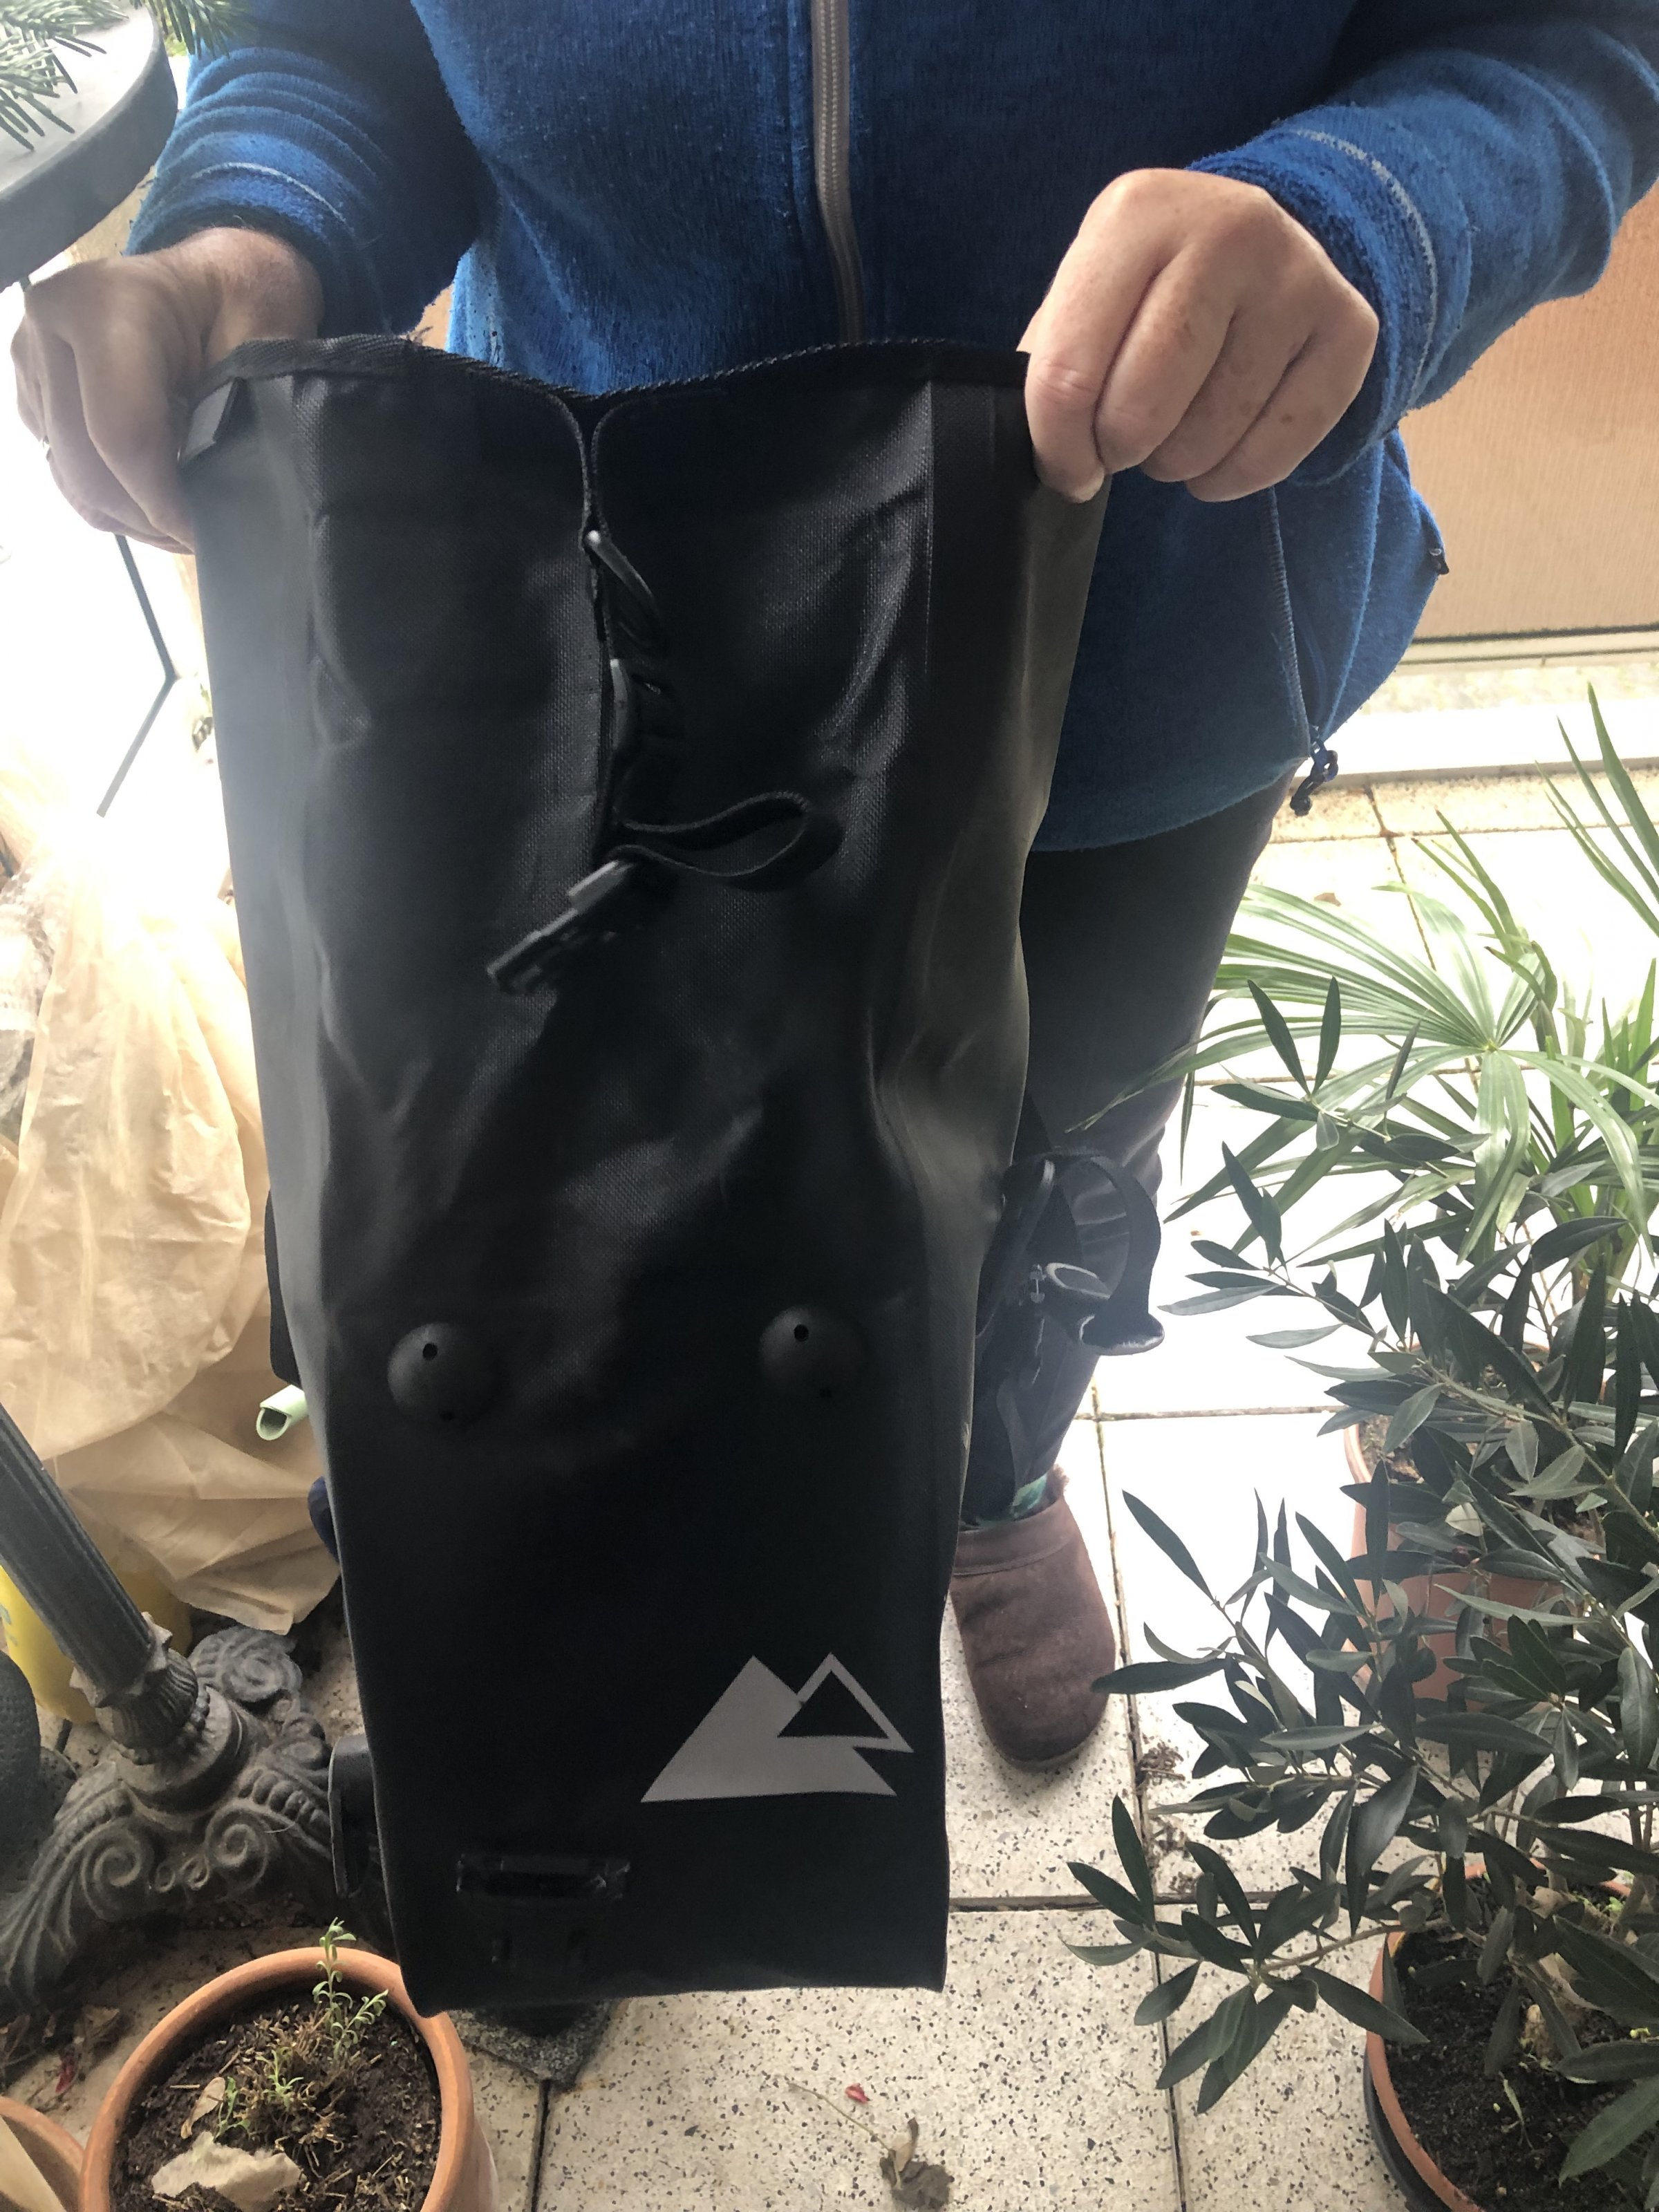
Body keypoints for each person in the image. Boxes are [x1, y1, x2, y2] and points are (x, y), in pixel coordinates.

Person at [15, 0, 1659, 1766]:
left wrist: (1370, 210)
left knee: (1054, 1160)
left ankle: (997, 1469)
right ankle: (672, 1631)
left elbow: (1569, 41)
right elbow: (344, 43)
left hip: (1135, 660)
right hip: (621, 638)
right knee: (638, 1186)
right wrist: (257, 225)